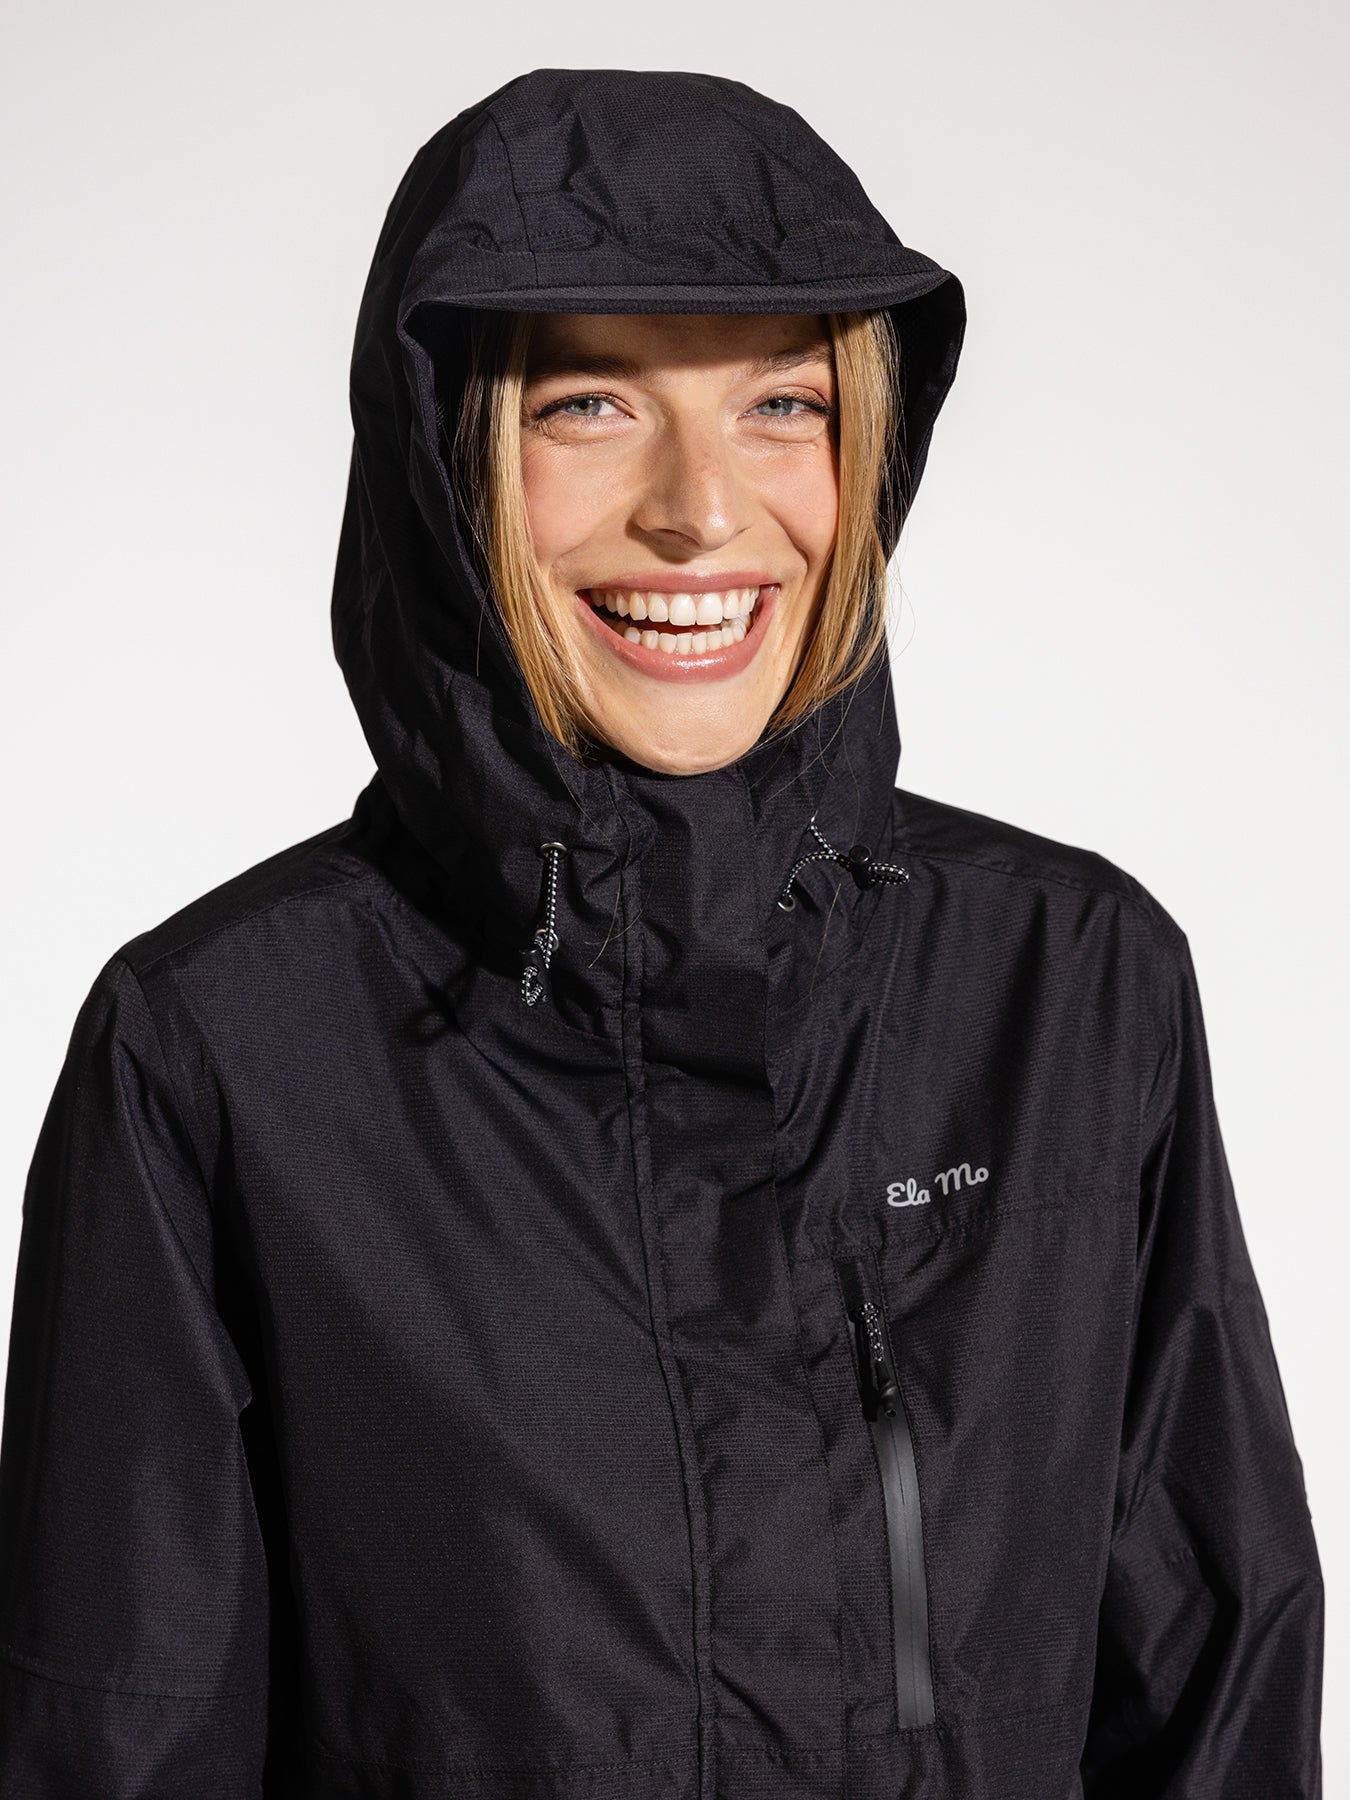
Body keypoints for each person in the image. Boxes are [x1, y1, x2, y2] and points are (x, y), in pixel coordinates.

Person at [0, 66, 1324, 1800]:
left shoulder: (1066, 988)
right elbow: (121, 1731)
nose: (699, 509)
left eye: (781, 403)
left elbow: (1215, 1684)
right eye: (587, 405)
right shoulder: (225, 1051)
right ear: (446, 462)